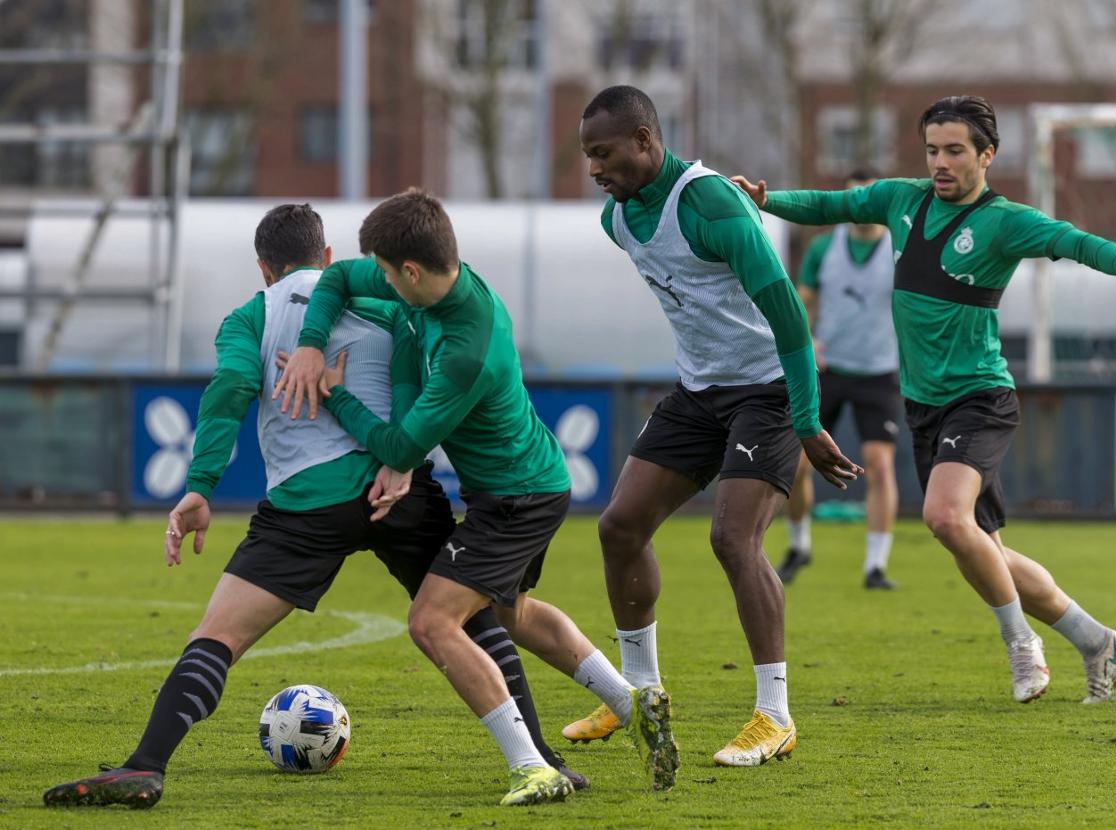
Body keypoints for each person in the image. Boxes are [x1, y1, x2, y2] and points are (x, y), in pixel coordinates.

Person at [42, 204, 583, 810]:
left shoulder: (252, 314)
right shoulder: (391, 299)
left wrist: (200, 486)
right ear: (329, 258)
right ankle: (539, 758)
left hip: (307, 502)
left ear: (263, 268)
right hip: (395, 492)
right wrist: (398, 461)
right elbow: (413, 369)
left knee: (218, 638)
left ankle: (146, 766)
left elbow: (230, 392)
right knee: (470, 620)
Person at [732, 95, 1116, 704]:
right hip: (924, 406)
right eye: (933, 150)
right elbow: (831, 204)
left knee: (944, 518)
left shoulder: (1003, 221)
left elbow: (1075, 241)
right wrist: (768, 201)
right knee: (984, 550)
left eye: (955, 150)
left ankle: (1021, 646)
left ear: (988, 155)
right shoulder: (901, 199)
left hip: (979, 398)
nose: (940, 162)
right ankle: (1097, 641)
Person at [273, 189, 678, 803]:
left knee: (432, 622)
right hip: (525, 484)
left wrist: (335, 395)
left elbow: (401, 444)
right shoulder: (427, 284)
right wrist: (310, 343)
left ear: (410, 270)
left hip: (520, 497)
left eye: (384, 272)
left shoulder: (468, 350)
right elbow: (334, 284)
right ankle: (631, 700)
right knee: (513, 614)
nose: (375, 280)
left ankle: (531, 768)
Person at [565, 84, 862, 768]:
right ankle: (638, 694)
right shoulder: (618, 221)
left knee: (732, 538)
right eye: (587, 155)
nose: (593, 169)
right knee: (619, 527)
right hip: (699, 392)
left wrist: (807, 416)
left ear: (646, 141)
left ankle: (774, 715)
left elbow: (788, 314)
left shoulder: (709, 204)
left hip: (766, 389)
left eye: (604, 153)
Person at [775, 167, 902, 590]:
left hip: (879, 372)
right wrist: (807, 342)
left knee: (880, 467)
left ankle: (875, 566)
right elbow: (799, 303)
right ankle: (799, 546)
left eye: (868, 198)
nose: (860, 207)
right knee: (795, 467)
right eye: (853, 198)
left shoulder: (900, 249)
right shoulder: (823, 248)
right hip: (827, 371)